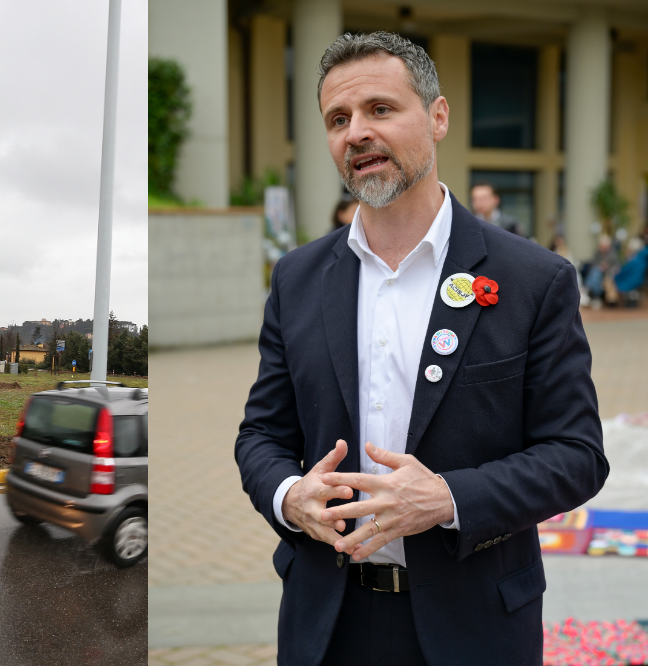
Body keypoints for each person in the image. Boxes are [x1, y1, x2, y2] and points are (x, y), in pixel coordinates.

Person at [235, 32, 606, 665]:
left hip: (475, 627)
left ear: (438, 117)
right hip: (326, 624)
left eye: (380, 109)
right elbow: (261, 436)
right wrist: (288, 497)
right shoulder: (296, 279)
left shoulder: (533, 279)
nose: (356, 132)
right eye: (338, 119)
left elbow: (576, 454)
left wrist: (449, 499)